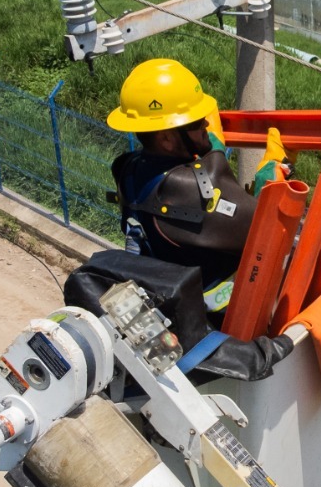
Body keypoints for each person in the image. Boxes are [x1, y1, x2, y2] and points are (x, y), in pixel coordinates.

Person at [106, 57, 289, 314]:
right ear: (167, 138)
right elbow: (268, 233)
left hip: (173, 301)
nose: (205, 124)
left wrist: (208, 151)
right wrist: (271, 181)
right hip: (226, 318)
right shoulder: (191, 189)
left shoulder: (127, 167)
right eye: (194, 123)